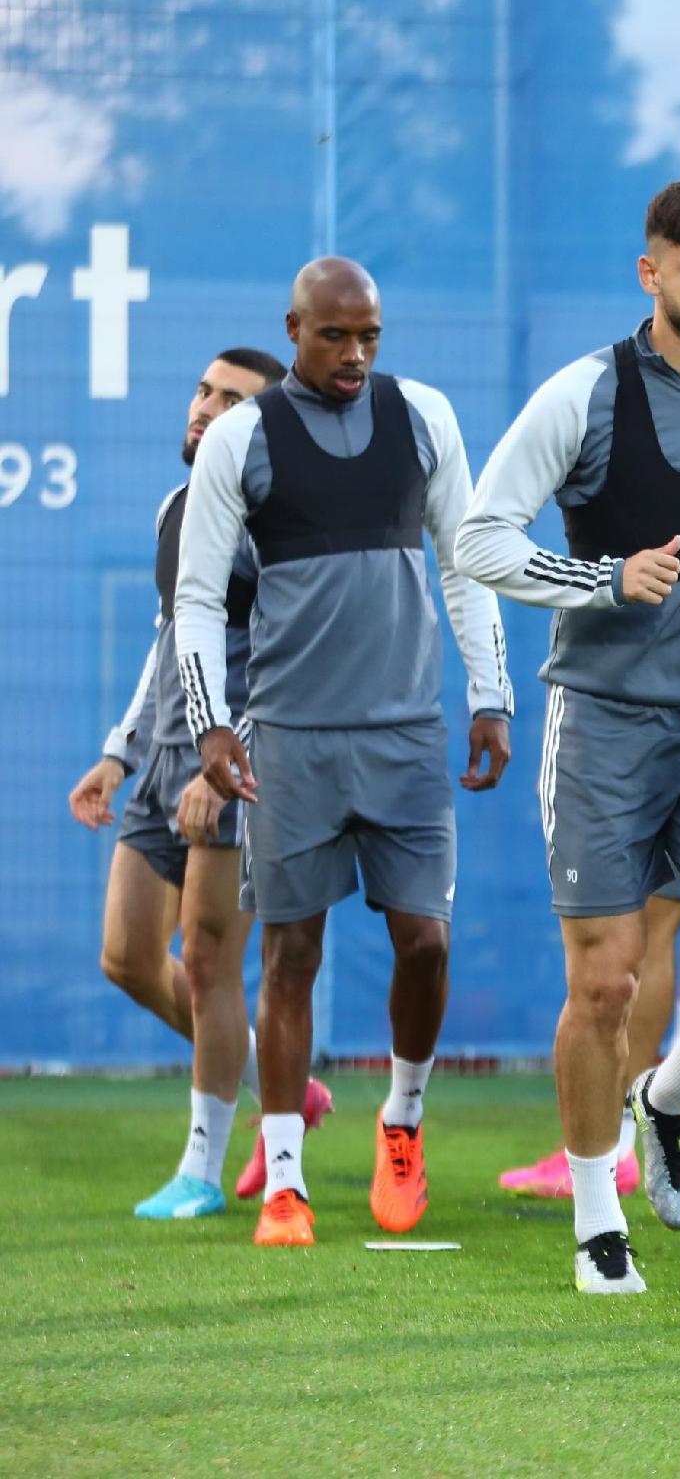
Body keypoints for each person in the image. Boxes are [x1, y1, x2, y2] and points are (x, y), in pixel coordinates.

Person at [455, 173, 680, 1294]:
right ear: (651, 273)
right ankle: (597, 1219)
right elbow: (478, 538)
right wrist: (603, 578)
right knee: (605, 985)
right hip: (604, 725)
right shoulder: (585, 393)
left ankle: (669, 1096)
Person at [174, 259, 514, 1246]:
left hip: (407, 737)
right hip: (290, 740)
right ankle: (285, 1181)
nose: (356, 353)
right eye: (335, 336)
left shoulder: (425, 417)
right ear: (293, 330)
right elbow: (197, 599)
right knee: (290, 954)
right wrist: (212, 721)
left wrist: (489, 695)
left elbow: (466, 565)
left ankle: (402, 1119)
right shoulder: (239, 439)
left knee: (428, 943)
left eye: (370, 335)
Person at [68, 348, 335, 1219]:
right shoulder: (175, 507)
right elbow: (167, 641)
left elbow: (290, 667)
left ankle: (203, 1171)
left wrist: (227, 772)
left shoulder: (276, 528)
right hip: (160, 765)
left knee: (212, 961)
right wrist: (119, 752)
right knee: (126, 958)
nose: (204, 407)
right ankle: (277, 1078)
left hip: (237, 773)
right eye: (202, 390)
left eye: (230, 400)